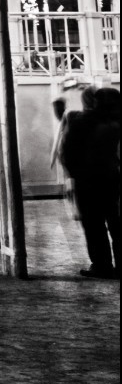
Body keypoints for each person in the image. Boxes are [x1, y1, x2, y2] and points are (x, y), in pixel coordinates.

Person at [54, 85, 121, 279]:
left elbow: (66, 151)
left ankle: (102, 266)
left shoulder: (80, 121)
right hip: (114, 179)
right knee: (116, 225)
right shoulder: (116, 123)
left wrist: (75, 175)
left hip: (88, 181)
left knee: (94, 225)